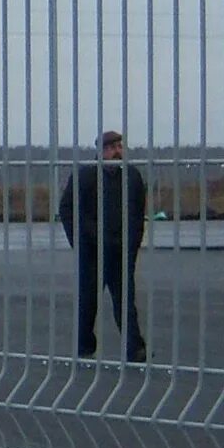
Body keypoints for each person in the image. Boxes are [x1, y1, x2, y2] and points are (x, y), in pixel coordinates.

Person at [57, 129, 150, 360]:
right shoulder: (86, 177)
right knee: (88, 302)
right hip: (91, 253)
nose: (117, 152)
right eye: (111, 148)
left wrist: (132, 245)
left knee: (125, 303)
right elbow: (67, 210)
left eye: (119, 147)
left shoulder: (132, 177)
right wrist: (80, 242)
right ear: (100, 153)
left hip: (120, 252)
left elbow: (138, 213)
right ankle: (85, 347)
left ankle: (135, 348)